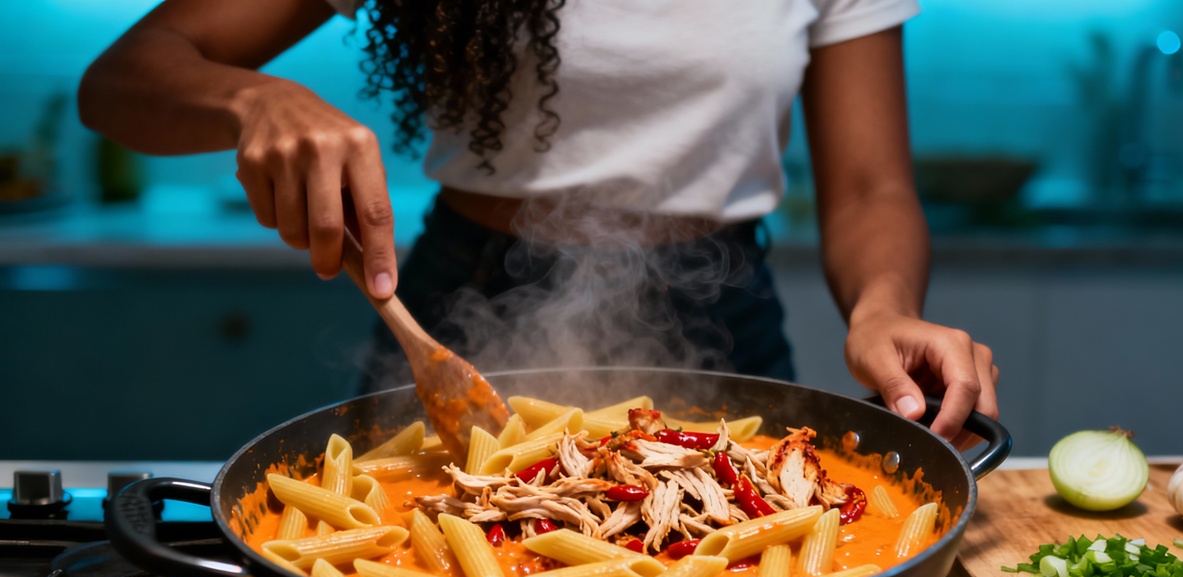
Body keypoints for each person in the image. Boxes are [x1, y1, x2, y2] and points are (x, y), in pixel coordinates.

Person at [78, 0, 999, 447]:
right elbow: (123, 78)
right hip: (464, 301)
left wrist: (881, 308)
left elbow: (872, 187)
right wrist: (251, 98)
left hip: (720, 317)